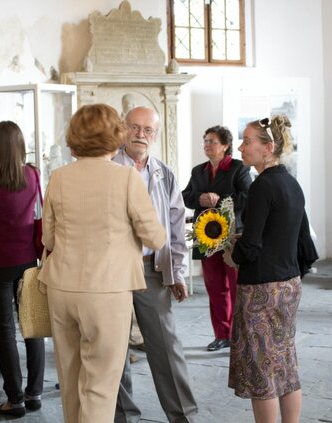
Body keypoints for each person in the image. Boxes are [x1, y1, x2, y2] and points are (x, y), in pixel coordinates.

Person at [38, 104, 167, 423]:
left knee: (70, 382)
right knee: (99, 387)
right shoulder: (126, 178)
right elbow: (155, 237)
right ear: (116, 134)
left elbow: (49, 239)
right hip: (107, 291)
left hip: (62, 289)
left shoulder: (59, 177)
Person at [224, 115, 314, 423]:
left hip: (261, 291)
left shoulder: (262, 185)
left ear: (268, 147)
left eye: (247, 141)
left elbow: (251, 247)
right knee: (285, 364)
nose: (240, 147)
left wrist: (232, 256)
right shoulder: (292, 183)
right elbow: (298, 240)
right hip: (289, 285)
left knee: (262, 370)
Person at [113, 106, 199, 423]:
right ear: (123, 129)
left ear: (156, 135)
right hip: (114, 271)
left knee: (166, 345)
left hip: (152, 268)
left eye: (148, 130)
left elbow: (176, 227)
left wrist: (176, 272)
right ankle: (123, 417)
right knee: (115, 349)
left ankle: (183, 416)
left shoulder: (163, 172)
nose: (140, 134)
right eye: (134, 127)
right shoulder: (109, 168)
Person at [0, 121, 45, 418]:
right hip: (27, 259)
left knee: (4, 331)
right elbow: (39, 211)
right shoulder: (33, 174)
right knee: (33, 326)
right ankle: (35, 393)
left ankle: (14, 400)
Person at [181, 125, 251, 352]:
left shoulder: (238, 168)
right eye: (205, 141)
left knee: (235, 286)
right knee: (214, 287)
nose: (207, 145)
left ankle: (240, 336)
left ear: (225, 145)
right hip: (204, 235)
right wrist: (199, 198)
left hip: (231, 235)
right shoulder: (198, 171)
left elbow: (247, 197)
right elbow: (185, 196)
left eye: (212, 141)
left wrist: (219, 200)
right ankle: (222, 335)